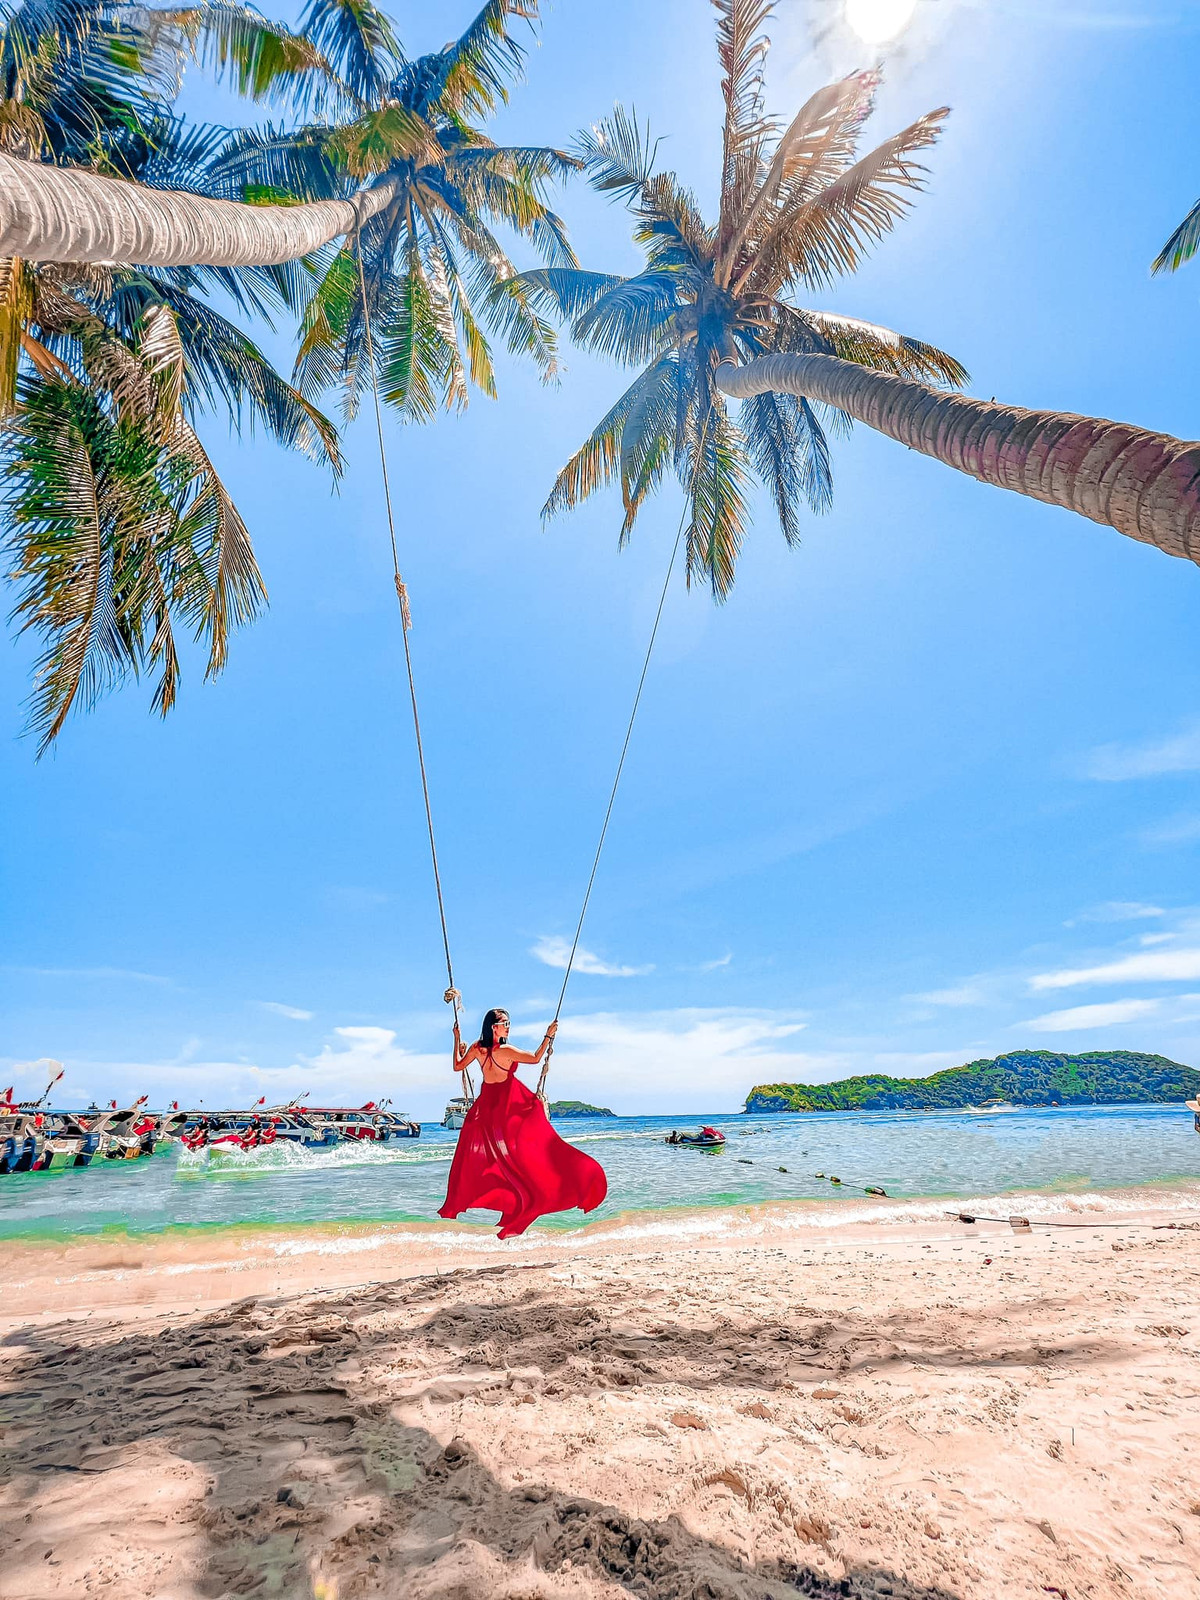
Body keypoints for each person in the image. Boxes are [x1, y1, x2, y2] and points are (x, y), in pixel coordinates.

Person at [438, 1008, 607, 1239]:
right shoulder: (505, 1050)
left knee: (502, 1160)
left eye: (509, 1023)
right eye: (504, 1023)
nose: (508, 1027)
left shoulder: (478, 1048)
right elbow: (536, 1058)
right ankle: (534, 1197)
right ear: (493, 1027)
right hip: (507, 1106)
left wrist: (457, 1039)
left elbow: (458, 1066)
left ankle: (517, 1201)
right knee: (519, 1157)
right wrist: (548, 1035)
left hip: (487, 1108)